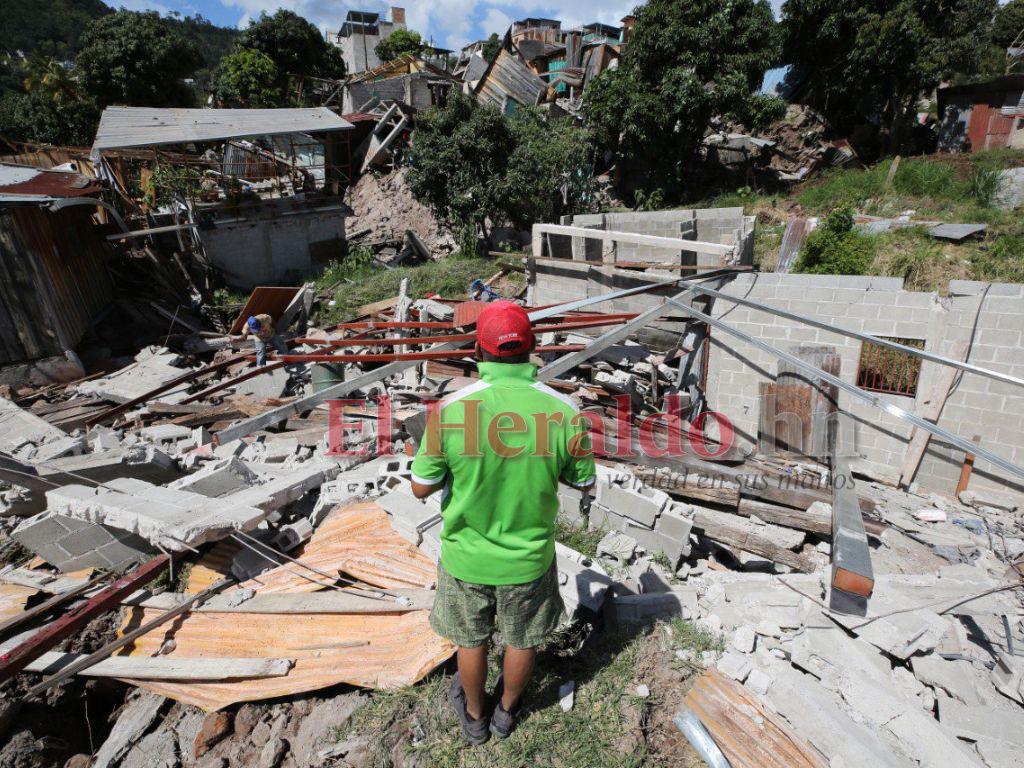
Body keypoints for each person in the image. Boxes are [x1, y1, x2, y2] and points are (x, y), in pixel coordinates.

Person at [410, 300, 596, 745]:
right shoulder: (564, 411)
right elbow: (581, 478)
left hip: (466, 558)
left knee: (470, 641)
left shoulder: (451, 409)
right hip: (528, 559)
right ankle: (506, 714)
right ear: (531, 347)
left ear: (479, 348)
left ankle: (475, 717)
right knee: (521, 640)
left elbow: (420, 488)